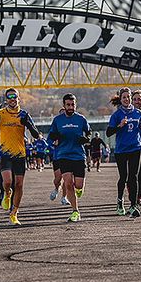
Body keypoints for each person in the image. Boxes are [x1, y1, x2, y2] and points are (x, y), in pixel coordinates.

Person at [0, 88, 41, 225]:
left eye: (15, 97)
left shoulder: (24, 114)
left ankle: (14, 213)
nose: (12, 99)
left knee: (19, 185)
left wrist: (34, 131)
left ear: (18, 98)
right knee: (7, 181)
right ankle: (7, 192)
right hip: (5, 153)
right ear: (6, 99)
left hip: (20, 154)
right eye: (10, 97)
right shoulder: (0, 114)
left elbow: (35, 132)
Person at [48, 94, 92, 222]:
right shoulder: (57, 120)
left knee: (78, 185)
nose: (71, 107)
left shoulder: (81, 119)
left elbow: (88, 132)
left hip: (78, 155)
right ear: (64, 105)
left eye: (73, 105)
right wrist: (55, 138)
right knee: (67, 183)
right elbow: (50, 136)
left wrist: (86, 139)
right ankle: (75, 211)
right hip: (63, 154)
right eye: (68, 105)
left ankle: (79, 189)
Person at [107, 87, 141, 217]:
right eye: (124, 97)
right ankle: (120, 202)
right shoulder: (116, 115)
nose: (127, 99)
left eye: (128, 97)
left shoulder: (138, 113)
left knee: (133, 177)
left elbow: (140, 126)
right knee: (123, 177)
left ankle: (134, 205)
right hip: (121, 149)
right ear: (120, 99)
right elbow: (108, 132)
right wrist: (119, 126)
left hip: (136, 147)